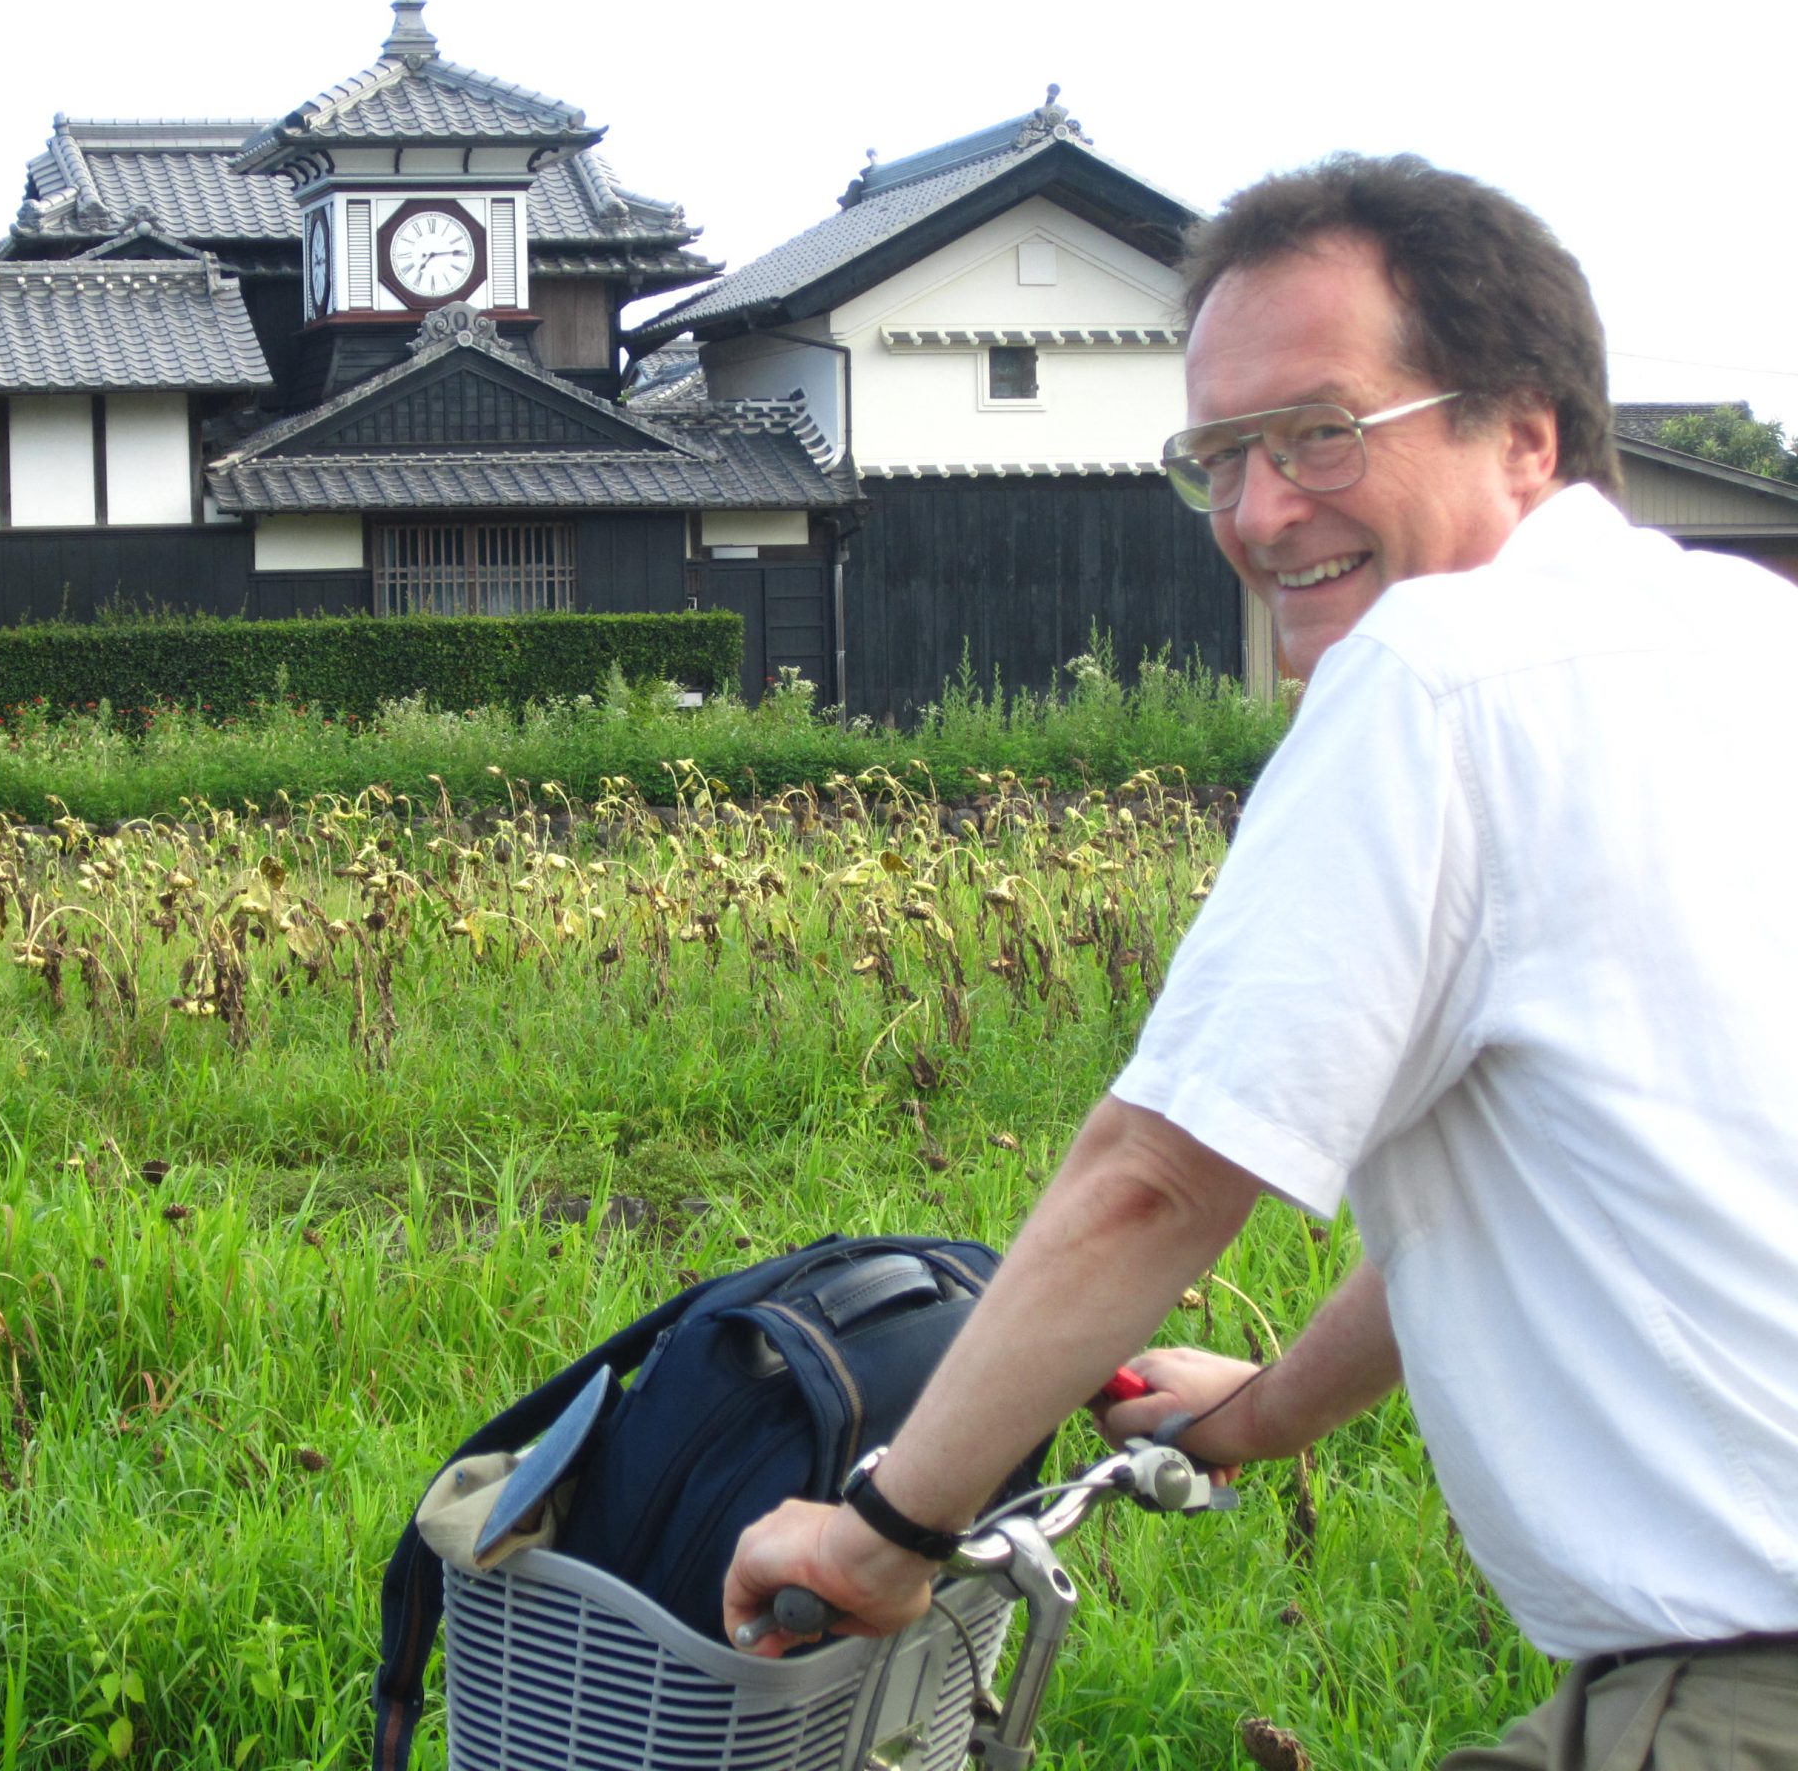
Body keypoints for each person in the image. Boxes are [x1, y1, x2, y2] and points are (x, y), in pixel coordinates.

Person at [722, 154, 1798, 1767]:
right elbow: (1576, 1176)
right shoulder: (1747, 639)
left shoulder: (1434, 673)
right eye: (1219, 454)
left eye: (1318, 433)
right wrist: (1266, 1412)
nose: (1260, 511)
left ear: (1526, 428)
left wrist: (888, 1528)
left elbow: (1159, 1175)